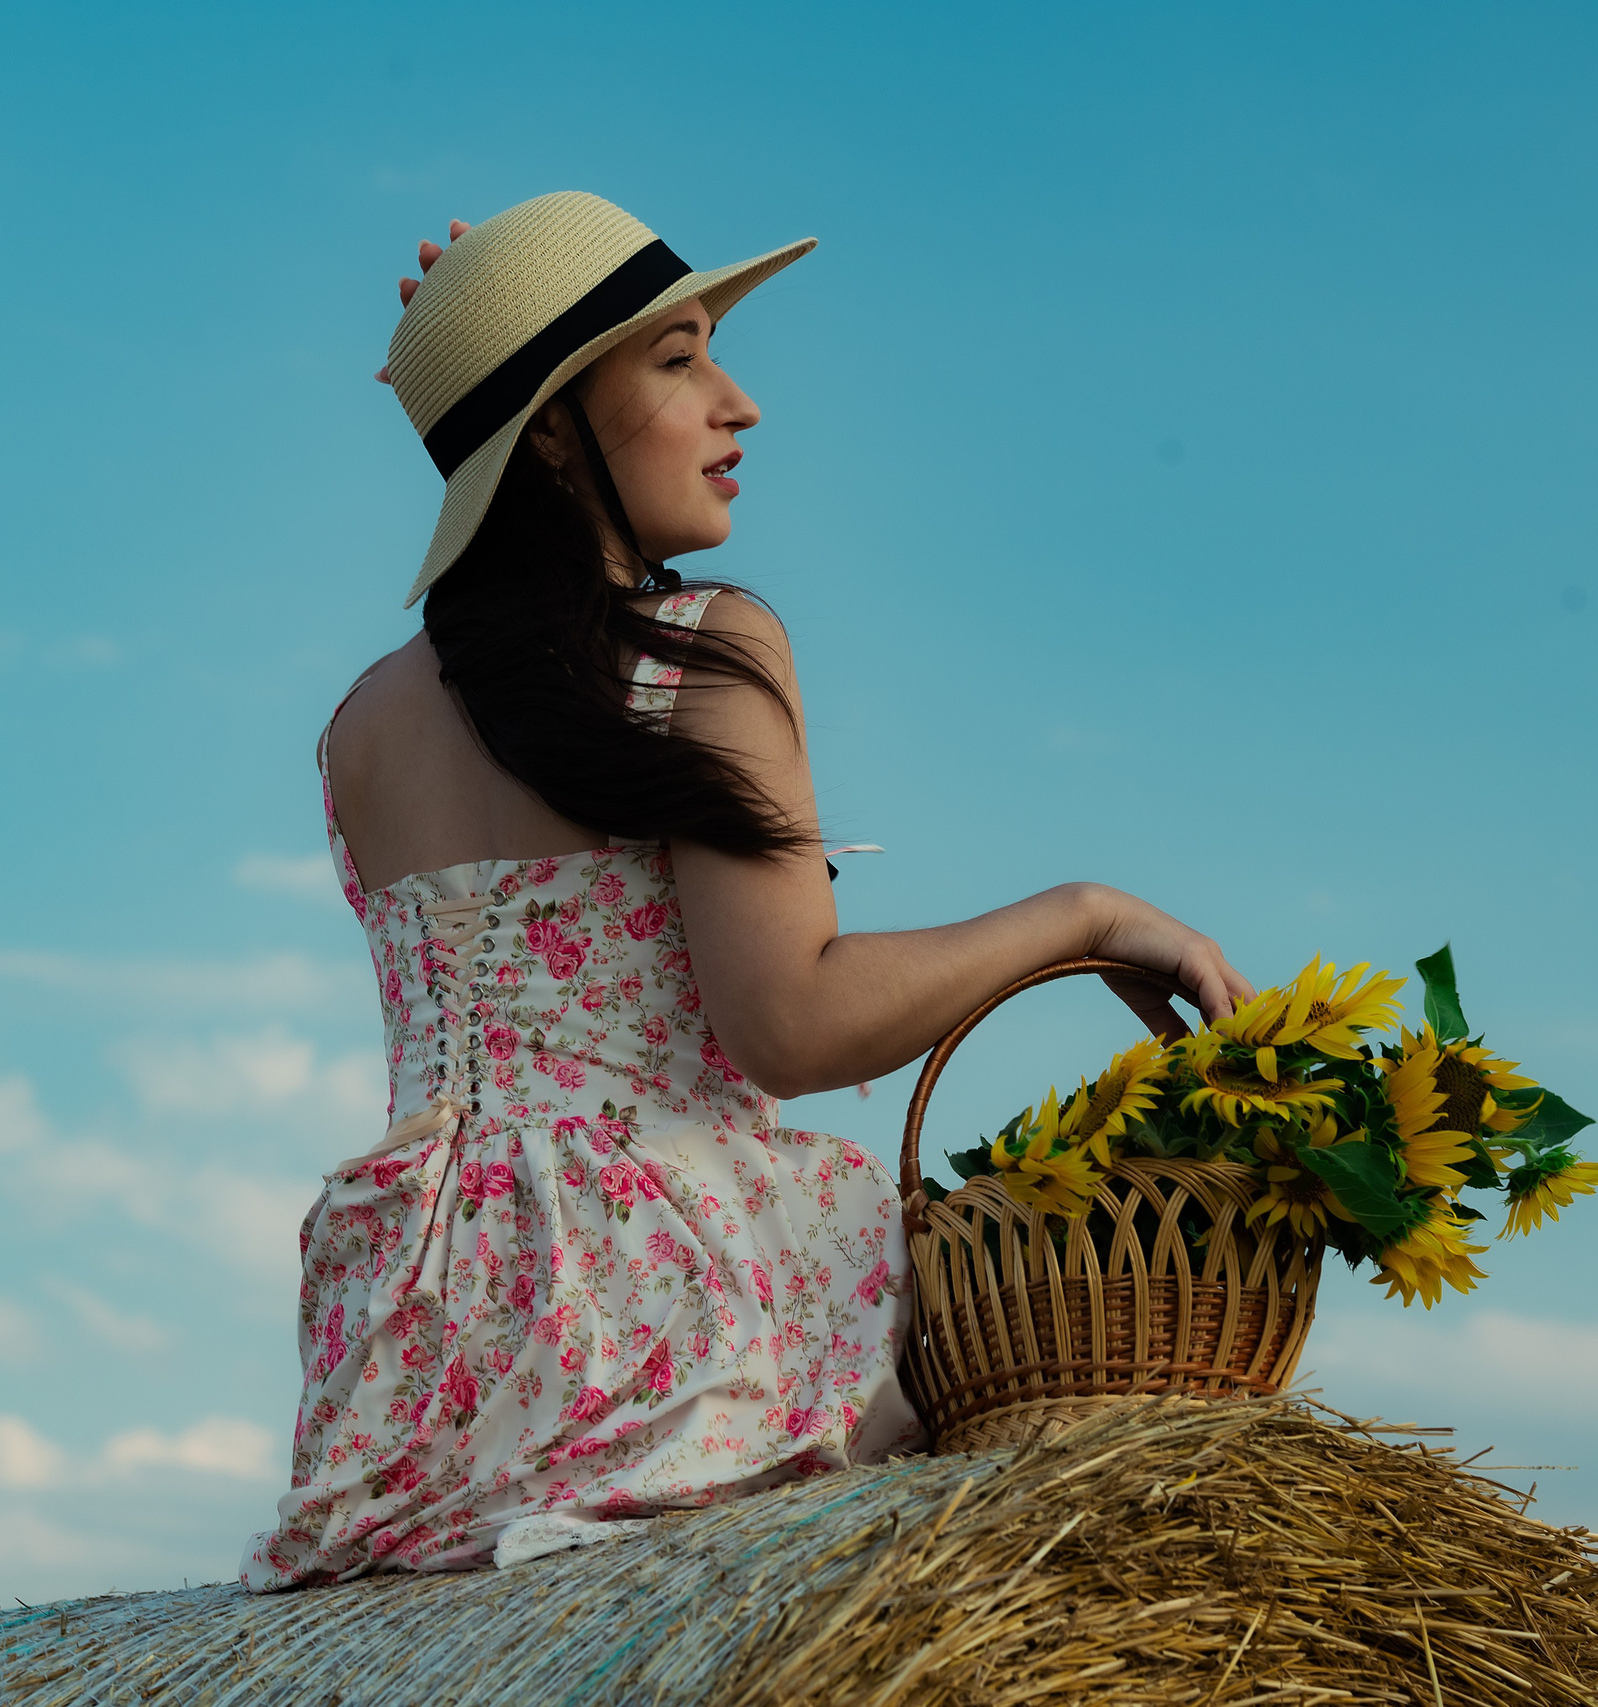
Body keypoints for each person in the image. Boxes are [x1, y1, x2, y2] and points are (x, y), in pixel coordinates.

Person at [241, 192, 1252, 1589]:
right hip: (662, 1303)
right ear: (547, 428)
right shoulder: (705, 650)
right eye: (679, 359)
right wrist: (1083, 913)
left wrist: (480, 324)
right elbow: (786, 1023)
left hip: (419, 1330)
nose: (743, 403)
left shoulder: (359, 727)